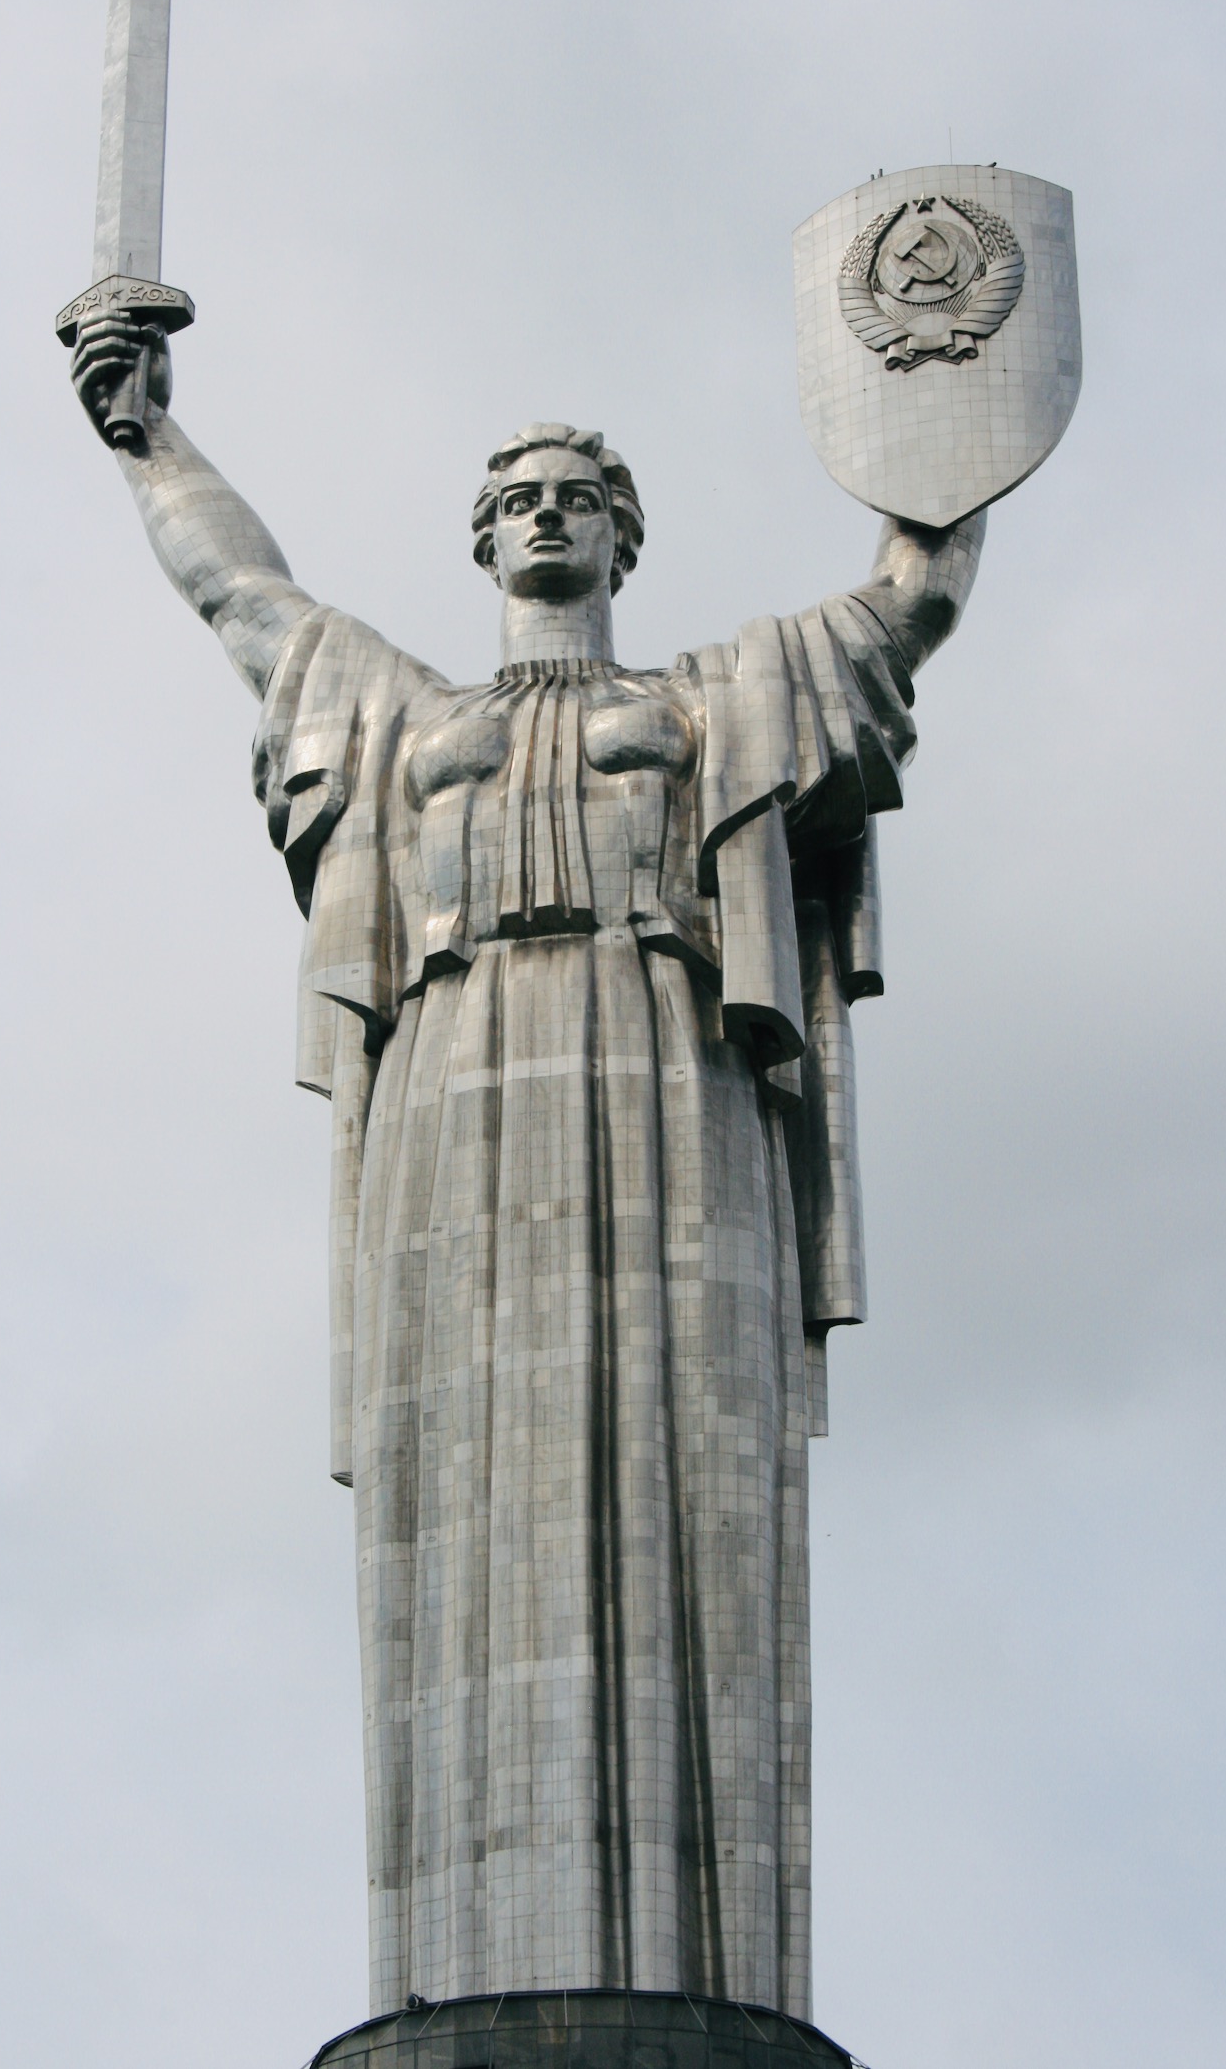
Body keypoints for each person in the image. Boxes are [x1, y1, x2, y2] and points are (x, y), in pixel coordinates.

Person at [70, 315, 984, 2021]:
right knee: (459, 1464)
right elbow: (240, 599)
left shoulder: (714, 700)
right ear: (482, 539)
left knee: (683, 1435)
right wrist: (147, 442)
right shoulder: (404, 712)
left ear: (626, 535)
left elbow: (904, 609)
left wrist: (952, 451)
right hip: (452, 1087)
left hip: (667, 1069)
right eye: (517, 497)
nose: (546, 514)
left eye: (578, 495)